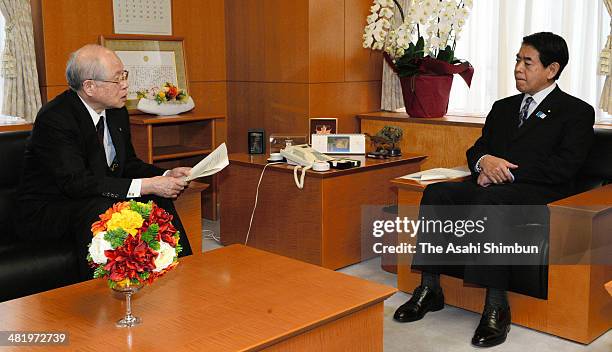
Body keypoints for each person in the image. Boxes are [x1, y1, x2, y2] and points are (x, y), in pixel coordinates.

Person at [393, 32, 594, 347]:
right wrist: (484, 163)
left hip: (541, 196)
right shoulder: (503, 107)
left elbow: (564, 168)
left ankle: (497, 306)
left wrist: (504, 173)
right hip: (492, 187)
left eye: (527, 62)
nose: (517, 68)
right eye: (517, 59)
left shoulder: (576, 112)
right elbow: (477, 150)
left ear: (552, 69)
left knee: (494, 200)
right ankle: (430, 288)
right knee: (437, 193)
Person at [17, 44, 194, 280]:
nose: (125, 84)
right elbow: (76, 183)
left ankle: (183, 270)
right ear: (89, 86)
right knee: (103, 209)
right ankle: (102, 293)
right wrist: (146, 185)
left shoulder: (115, 111)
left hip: (92, 196)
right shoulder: (55, 118)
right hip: (49, 209)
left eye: (124, 75)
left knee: (156, 197)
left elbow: (127, 164)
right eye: (117, 79)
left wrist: (165, 175)